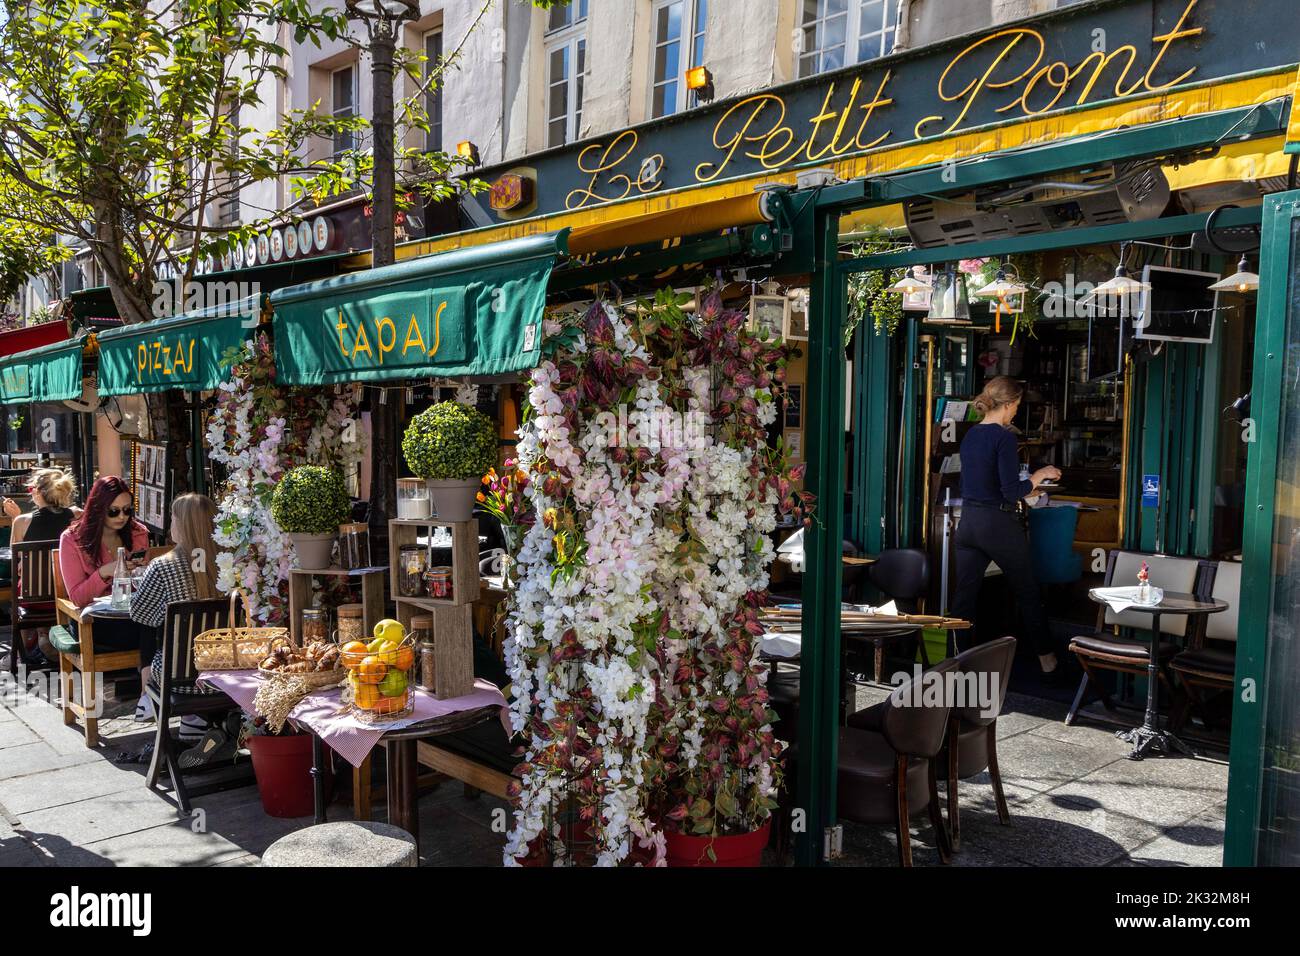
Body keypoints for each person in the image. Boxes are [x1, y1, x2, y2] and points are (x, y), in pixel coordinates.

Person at [951, 376, 1064, 679]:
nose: (1016, 412)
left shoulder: (972, 435)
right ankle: (1047, 660)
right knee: (1027, 591)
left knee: (964, 597)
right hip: (997, 524)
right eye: (1017, 406)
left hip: (968, 523)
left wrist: (1028, 489)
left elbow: (978, 483)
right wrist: (1040, 475)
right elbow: (1010, 491)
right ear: (1010, 404)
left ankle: (955, 663)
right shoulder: (1004, 438)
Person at [130, 493, 234, 755]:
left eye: (173, 517)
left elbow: (139, 613)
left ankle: (187, 718)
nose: (169, 524)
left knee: (152, 628)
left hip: (178, 678)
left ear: (184, 524)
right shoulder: (230, 564)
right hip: (226, 674)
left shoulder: (163, 567)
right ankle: (199, 723)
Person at [58, 475, 152, 718]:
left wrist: (140, 572)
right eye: (114, 511)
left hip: (134, 614)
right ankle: (151, 695)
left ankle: (163, 697)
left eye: (127, 510)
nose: (122, 516)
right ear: (99, 508)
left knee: (164, 623)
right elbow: (77, 597)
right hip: (94, 621)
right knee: (154, 627)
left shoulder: (138, 533)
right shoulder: (73, 539)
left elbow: (147, 583)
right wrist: (104, 573)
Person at [3, 467, 79, 546]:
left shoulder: (21, 521)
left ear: (38, 492)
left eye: (31, 488)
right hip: (63, 558)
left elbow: (15, 554)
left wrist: (15, 517)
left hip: (34, 559)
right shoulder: (77, 515)